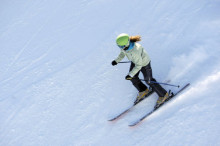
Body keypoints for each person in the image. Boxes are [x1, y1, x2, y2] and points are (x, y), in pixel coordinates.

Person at [111, 33, 169, 105]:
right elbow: (122, 53)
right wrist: (117, 60)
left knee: (149, 80)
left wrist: (131, 74)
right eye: (119, 46)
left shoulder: (135, 50)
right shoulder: (125, 47)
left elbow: (139, 65)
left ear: (126, 44)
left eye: (121, 46)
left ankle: (164, 95)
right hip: (136, 62)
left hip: (144, 64)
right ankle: (143, 90)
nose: (120, 47)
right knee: (133, 78)